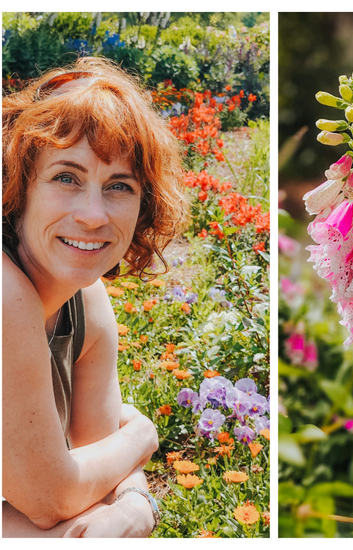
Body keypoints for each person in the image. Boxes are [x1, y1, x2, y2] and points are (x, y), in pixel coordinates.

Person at [2, 58, 189, 537]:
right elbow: (51, 499)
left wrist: (133, 506)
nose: (92, 215)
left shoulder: (86, 302)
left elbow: (100, 471)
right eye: (66, 177)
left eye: (119, 186)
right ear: (18, 186)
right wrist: (144, 435)